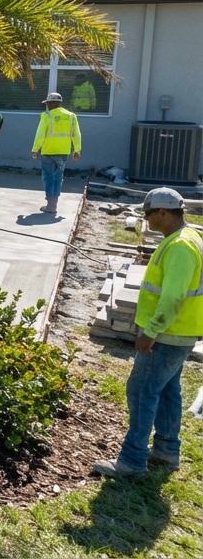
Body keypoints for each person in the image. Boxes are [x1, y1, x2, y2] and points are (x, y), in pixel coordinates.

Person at [93, 188, 203, 478]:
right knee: (167, 390)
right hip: (180, 334)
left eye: (148, 213)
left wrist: (151, 330)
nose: (146, 219)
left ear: (163, 213)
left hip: (166, 335)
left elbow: (173, 297)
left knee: (142, 391)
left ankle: (131, 461)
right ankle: (166, 451)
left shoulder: (180, 247)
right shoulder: (189, 238)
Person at [30, 91, 81, 214]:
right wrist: (77, 150)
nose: (46, 105)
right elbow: (76, 134)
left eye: (47, 103)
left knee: (48, 177)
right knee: (58, 177)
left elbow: (40, 133)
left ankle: (50, 205)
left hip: (48, 151)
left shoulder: (46, 116)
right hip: (63, 152)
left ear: (51, 103)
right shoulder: (71, 116)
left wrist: (35, 148)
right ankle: (54, 204)